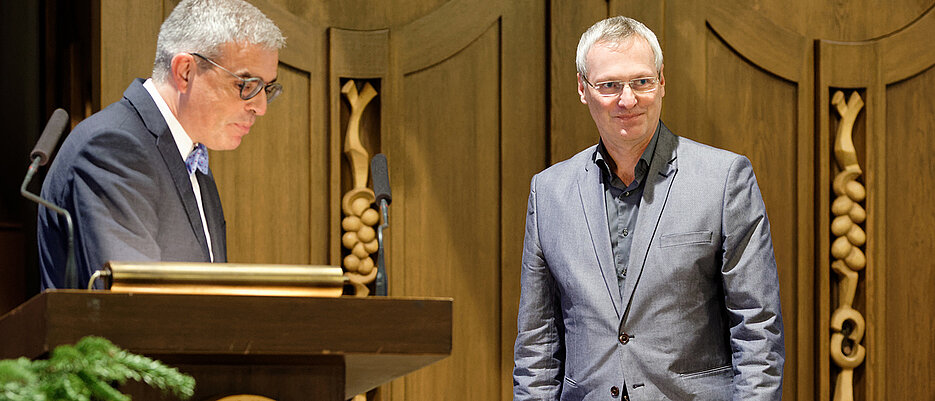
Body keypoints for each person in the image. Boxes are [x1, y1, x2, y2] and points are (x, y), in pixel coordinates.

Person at [513, 16, 784, 400]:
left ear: (661, 82)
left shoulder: (724, 179)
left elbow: (757, 328)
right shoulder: (549, 191)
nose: (628, 99)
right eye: (609, 85)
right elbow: (537, 344)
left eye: (641, 81)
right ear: (582, 89)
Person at [38, 0, 285, 289]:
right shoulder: (114, 148)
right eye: (247, 84)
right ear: (185, 72)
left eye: (267, 88)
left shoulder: (190, 155)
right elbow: (135, 302)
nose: (261, 107)